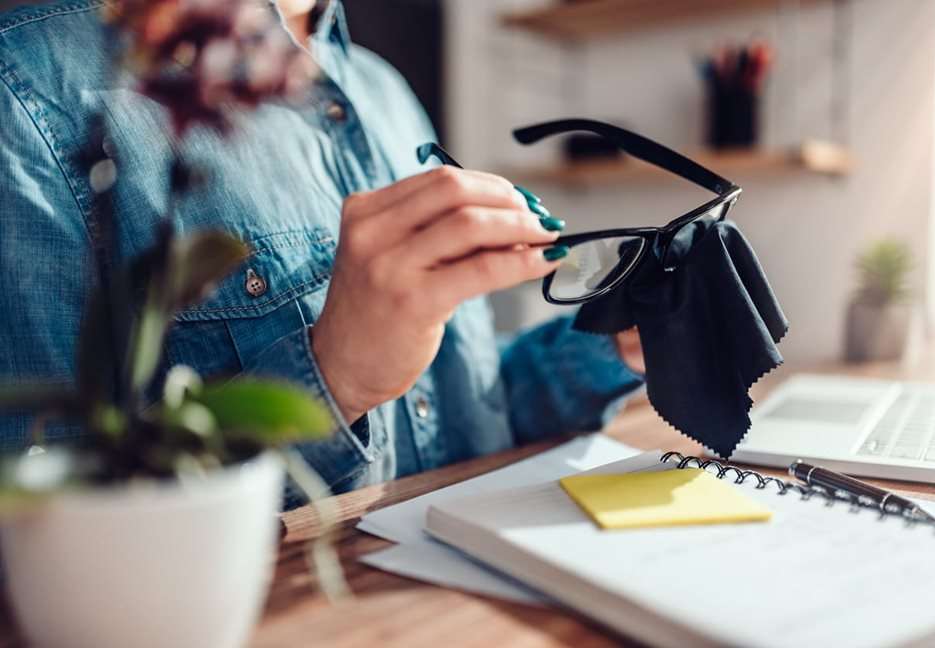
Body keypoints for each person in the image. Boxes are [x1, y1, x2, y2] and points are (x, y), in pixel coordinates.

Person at [0, 0, 644, 506]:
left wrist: (614, 340)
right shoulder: (27, 93)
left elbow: (463, 414)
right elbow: (44, 545)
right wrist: (334, 376)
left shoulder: (382, 88)